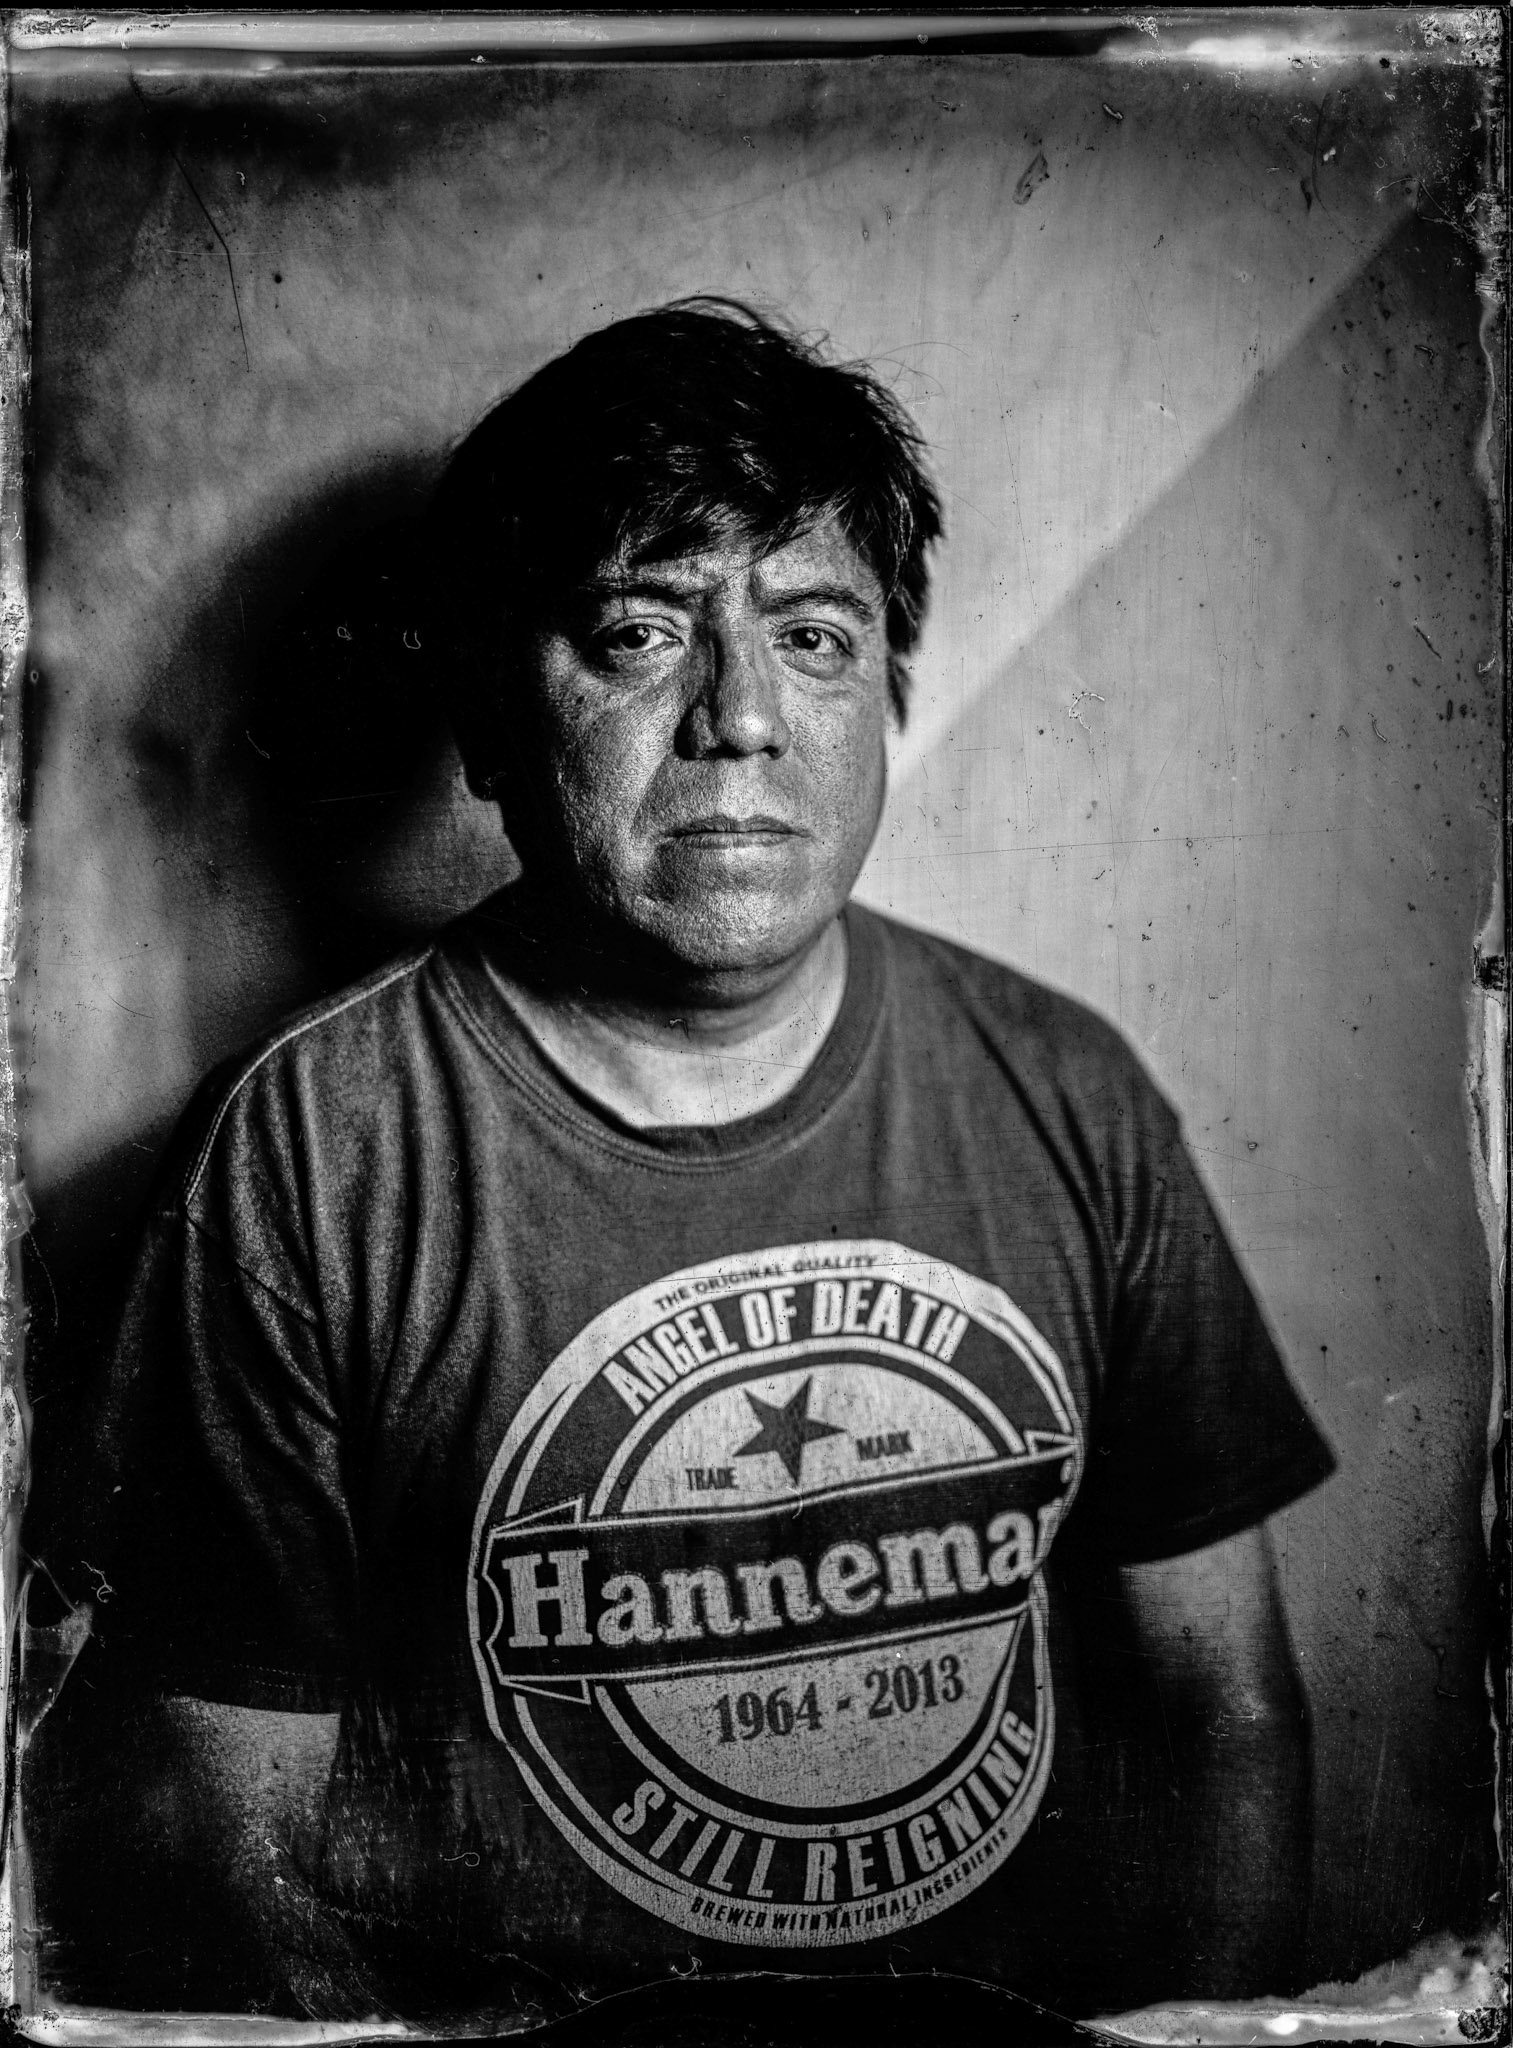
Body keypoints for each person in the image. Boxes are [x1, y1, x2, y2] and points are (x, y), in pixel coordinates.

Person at [27, 300, 1335, 2030]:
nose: (739, 714)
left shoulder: (1066, 1090)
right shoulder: (303, 1156)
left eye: (813, 636)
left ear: (885, 702)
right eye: (638, 632)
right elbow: (220, 1837)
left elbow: (1221, 1712)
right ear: (490, 724)